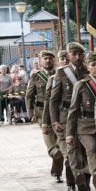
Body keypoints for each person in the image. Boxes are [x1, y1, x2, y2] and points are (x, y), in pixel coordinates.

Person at [65, 51, 96, 191]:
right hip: (85, 127)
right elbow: (73, 111)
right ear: (88, 67)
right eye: (93, 64)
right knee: (92, 149)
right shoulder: (81, 85)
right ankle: (95, 173)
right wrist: (69, 134)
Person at [49, 44, 85, 191]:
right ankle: (74, 184)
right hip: (65, 118)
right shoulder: (61, 73)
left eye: (80, 54)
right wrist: (54, 121)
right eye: (74, 54)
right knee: (70, 153)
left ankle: (82, 182)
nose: (77, 57)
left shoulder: (89, 70)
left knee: (82, 153)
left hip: (84, 118)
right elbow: (53, 100)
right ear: (69, 55)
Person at [26, 50, 61, 180]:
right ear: (41, 61)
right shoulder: (36, 77)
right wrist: (31, 113)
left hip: (59, 113)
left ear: (54, 60)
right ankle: (57, 171)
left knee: (62, 146)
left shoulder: (60, 75)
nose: (48, 61)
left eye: (50, 58)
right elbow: (29, 96)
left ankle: (57, 171)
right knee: (54, 148)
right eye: (45, 58)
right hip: (42, 115)